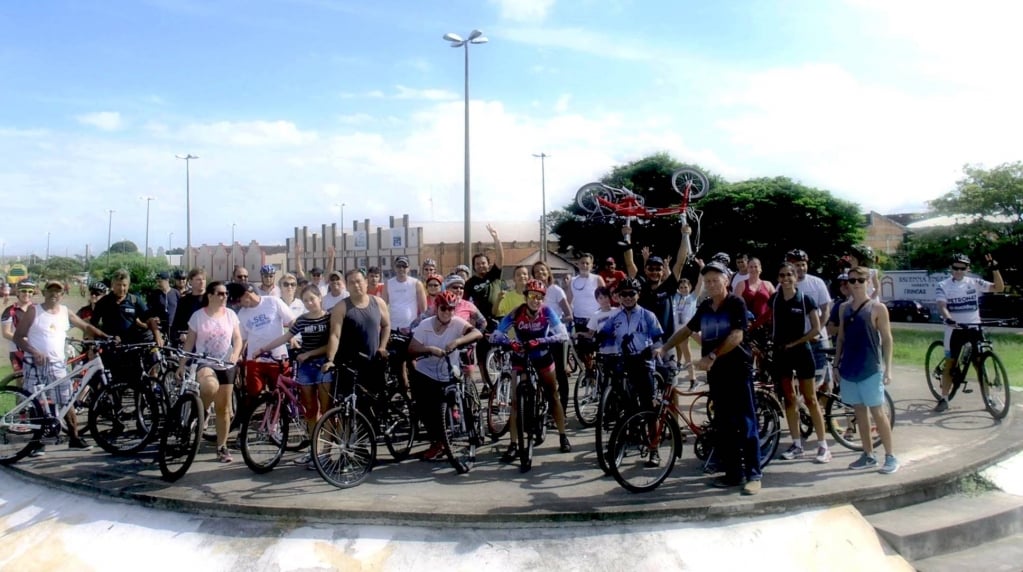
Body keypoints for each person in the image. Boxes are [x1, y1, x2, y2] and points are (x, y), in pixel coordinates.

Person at [660, 261, 763, 495]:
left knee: (746, 424)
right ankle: (733, 473)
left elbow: (737, 335)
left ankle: (754, 475)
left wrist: (713, 355)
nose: (711, 284)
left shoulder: (735, 303)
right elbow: (688, 329)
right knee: (723, 424)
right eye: (707, 281)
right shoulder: (706, 306)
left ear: (726, 281)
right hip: (716, 374)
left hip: (737, 370)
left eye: (716, 280)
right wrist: (664, 348)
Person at [14, 280, 112, 454]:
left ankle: (74, 438)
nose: (54, 294)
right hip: (35, 364)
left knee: (67, 400)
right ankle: (37, 443)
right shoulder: (34, 311)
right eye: (50, 291)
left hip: (58, 364)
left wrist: (106, 336)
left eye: (57, 292)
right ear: (44, 293)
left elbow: (86, 326)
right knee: (36, 404)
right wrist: (34, 352)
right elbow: (19, 337)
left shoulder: (65, 312)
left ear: (62, 295)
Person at [493, 279, 572, 469]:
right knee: (514, 401)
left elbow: (563, 335)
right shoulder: (516, 313)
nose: (536, 300)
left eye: (540, 297)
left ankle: (563, 436)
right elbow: (495, 334)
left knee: (553, 395)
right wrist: (509, 342)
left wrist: (542, 341)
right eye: (532, 296)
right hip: (520, 356)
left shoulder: (547, 312)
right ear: (526, 296)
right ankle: (513, 444)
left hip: (542, 356)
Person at [253, 284, 332, 467]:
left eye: (312, 299)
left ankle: (326, 453)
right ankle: (313, 450)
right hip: (305, 369)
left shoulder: (329, 318)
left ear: (320, 298)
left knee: (327, 410)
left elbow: (332, 343)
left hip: (324, 367)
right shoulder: (302, 320)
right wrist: (263, 349)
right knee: (310, 411)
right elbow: (285, 337)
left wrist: (310, 353)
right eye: (306, 300)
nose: (310, 303)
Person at [834, 266, 898, 474]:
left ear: (868, 282)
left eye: (860, 280)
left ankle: (890, 456)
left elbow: (887, 339)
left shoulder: (878, 308)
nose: (856, 284)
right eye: (851, 281)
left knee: (878, 413)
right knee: (860, 413)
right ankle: (868, 454)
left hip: (870, 368)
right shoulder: (845, 308)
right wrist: (836, 364)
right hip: (849, 368)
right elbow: (841, 338)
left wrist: (888, 369)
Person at [766, 262, 831, 464]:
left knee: (810, 399)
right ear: (778, 278)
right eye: (782, 275)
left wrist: (796, 342)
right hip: (781, 354)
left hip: (802, 352)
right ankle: (796, 444)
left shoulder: (805, 299)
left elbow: (816, 329)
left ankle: (823, 446)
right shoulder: (775, 299)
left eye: (789, 275)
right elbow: (766, 320)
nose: (785, 278)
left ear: (796, 277)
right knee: (789, 399)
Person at [408, 290, 483, 461]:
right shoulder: (425, 325)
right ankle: (436, 442)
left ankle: (467, 429)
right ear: (437, 308)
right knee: (424, 409)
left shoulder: (456, 323)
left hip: (448, 370)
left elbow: (477, 333)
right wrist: (429, 350)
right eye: (444, 309)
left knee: (454, 401)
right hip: (426, 371)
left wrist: (457, 341)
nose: (448, 313)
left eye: (451, 309)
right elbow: (412, 348)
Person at [178, 281, 243, 464]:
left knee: (224, 409)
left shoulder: (230, 315)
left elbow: (237, 339)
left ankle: (222, 447)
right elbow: (189, 343)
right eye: (220, 293)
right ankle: (203, 411)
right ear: (210, 295)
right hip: (205, 362)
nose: (224, 297)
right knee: (209, 386)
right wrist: (182, 364)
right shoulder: (198, 316)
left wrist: (235, 355)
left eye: (226, 294)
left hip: (226, 364)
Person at [933, 253, 1004, 412]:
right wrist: (949, 318)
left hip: (974, 327)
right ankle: (944, 398)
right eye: (955, 268)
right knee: (951, 363)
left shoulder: (974, 282)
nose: (958, 271)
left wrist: (995, 269)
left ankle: (988, 398)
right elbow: (942, 305)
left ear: (967, 269)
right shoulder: (943, 285)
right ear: (950, 268)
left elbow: (999, 288)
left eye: (962, 268)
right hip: (955, 329)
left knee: (980, 365)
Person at [594, 278, 664, 427]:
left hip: (644, 361)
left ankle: (653, 445)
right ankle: (629, 428)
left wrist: (656, 348)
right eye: (623, 294)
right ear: (618, 296)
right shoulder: (615, 317)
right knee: (625, 401)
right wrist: (591, 343)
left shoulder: (647, 315)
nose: (627, 297)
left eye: (631, 293)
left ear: (638, 294)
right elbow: (602, 335)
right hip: (624, 361)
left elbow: (658, 338)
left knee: (648, 405)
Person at [91, 269, 163, 384]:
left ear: (128, 285)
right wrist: (94, 343)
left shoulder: (134, 301)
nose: (121, 288)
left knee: (136, 380)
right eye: (118, 285)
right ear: (112, 285)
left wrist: (157, 336)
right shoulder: (103, 302)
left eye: (124, 285)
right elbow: (92, 325)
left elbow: (149, 319)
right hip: (112, 347)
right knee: (112, 382)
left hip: (131, 347)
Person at [323, 269, 391, 386]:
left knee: (376, 400)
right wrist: (330, 359)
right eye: (351, 283)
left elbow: (386, 325)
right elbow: (335, 335)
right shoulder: (340, 307)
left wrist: (382, 347)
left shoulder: (378, 302)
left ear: (365, 282)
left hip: (373, 361)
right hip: (349, 364)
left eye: (359, 281)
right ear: (347, 286)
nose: (356, 285)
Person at [228, 282, 296, 400]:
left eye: (238, 301)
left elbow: (291, 321)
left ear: (246, 295)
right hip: (255, 360)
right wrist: (238, 356)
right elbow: (243, 339)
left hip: (277, 357)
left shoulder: (273, 302)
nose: (238, 305)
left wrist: (292, 337)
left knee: (281, 395)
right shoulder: (242, 314)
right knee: (254, 395)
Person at [465, 224, 505, 387]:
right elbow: (465, 303)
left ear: (488, 264)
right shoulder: (470, 283)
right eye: (478, 263)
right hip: (481, 323)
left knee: (501, 354)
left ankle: (504, 382)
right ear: (474, 266)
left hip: (499, 319)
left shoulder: (494, 275)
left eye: (484, 263)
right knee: (481, 356)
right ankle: (488, 386)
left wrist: (496, 238)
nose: (481, 265)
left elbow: (501, 258)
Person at [785, 249, 832, 384]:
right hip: (796, 340)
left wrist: (817, 332)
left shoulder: (817, 282)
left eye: (803, 264)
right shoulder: (784, 284)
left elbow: (825, 310)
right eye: (797, 265)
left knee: (823, 380)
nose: (800, 268)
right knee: (801, 380)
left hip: (817, 339)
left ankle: (822, 405)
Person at [532, 260, 574, 411]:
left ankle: (561, 409)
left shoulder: (556, 290)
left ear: (548, 273)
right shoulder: (533, 292)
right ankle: (548, 408)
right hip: (540, 337)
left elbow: (569, 315)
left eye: (542, 271)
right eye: (536, 272)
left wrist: (553, 322)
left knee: (560, 373)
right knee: (543, 373)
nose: (540, 274)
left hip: (557, 337)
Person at [383, 255, 426, 332]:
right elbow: (383, 306)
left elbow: (424, 309)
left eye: (404, 266)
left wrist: (416, 325)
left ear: (408, 268)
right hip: (392, 327)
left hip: (412, 328)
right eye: (399, 266)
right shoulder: (388, 284)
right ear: (395, 267)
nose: (401, 269)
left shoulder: (416, 283)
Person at [566, 253, 605, 334]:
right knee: (581, 345)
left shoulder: (597, 279)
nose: (584, 265)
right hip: (578, 320)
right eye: (582, 263)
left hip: (595, 319)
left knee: (595, 345)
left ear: (591, 265)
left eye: (587, 263)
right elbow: (568, 302)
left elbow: (605, 300)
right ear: (578, 264)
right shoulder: (572, 281)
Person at [672, 278, 700, 389]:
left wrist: (702, 269)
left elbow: (700, 282)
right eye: (681, 287)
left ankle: (715, 367)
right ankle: (693, 380)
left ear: (690, 287)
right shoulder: (676, 297)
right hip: (681, 331)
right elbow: (671, 279)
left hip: (692, 329)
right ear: (678, 289)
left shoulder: (693, 297)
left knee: (710, 347)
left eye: (686, 287)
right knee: (687, 356)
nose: (684, 289)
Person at [3, 281, 37, 374]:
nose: (27, 294)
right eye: (24, 291)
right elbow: (6, 333)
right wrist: (23, 340)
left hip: (36, 349)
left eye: (30, 291)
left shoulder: (38, 308)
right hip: (17, 351)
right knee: (21, 381)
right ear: (18, 292)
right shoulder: (10, 310)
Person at [169, 268, 207, 345]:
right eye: (198, 280)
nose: (202, 282)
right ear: (190, 281)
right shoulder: (184, 301)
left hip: (208, 340)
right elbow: (176, 323)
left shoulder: (211, 299)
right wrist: (179, 335)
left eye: (203, 279)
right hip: (189, 342)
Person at [146, 271, 174, 337]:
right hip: (159, 329)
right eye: (157, 281)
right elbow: (149, 311)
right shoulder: (154, 294)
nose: (158, 283)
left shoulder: (175, 293)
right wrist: (154, 317)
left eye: (160, 281)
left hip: (173, 328)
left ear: (167, 280)